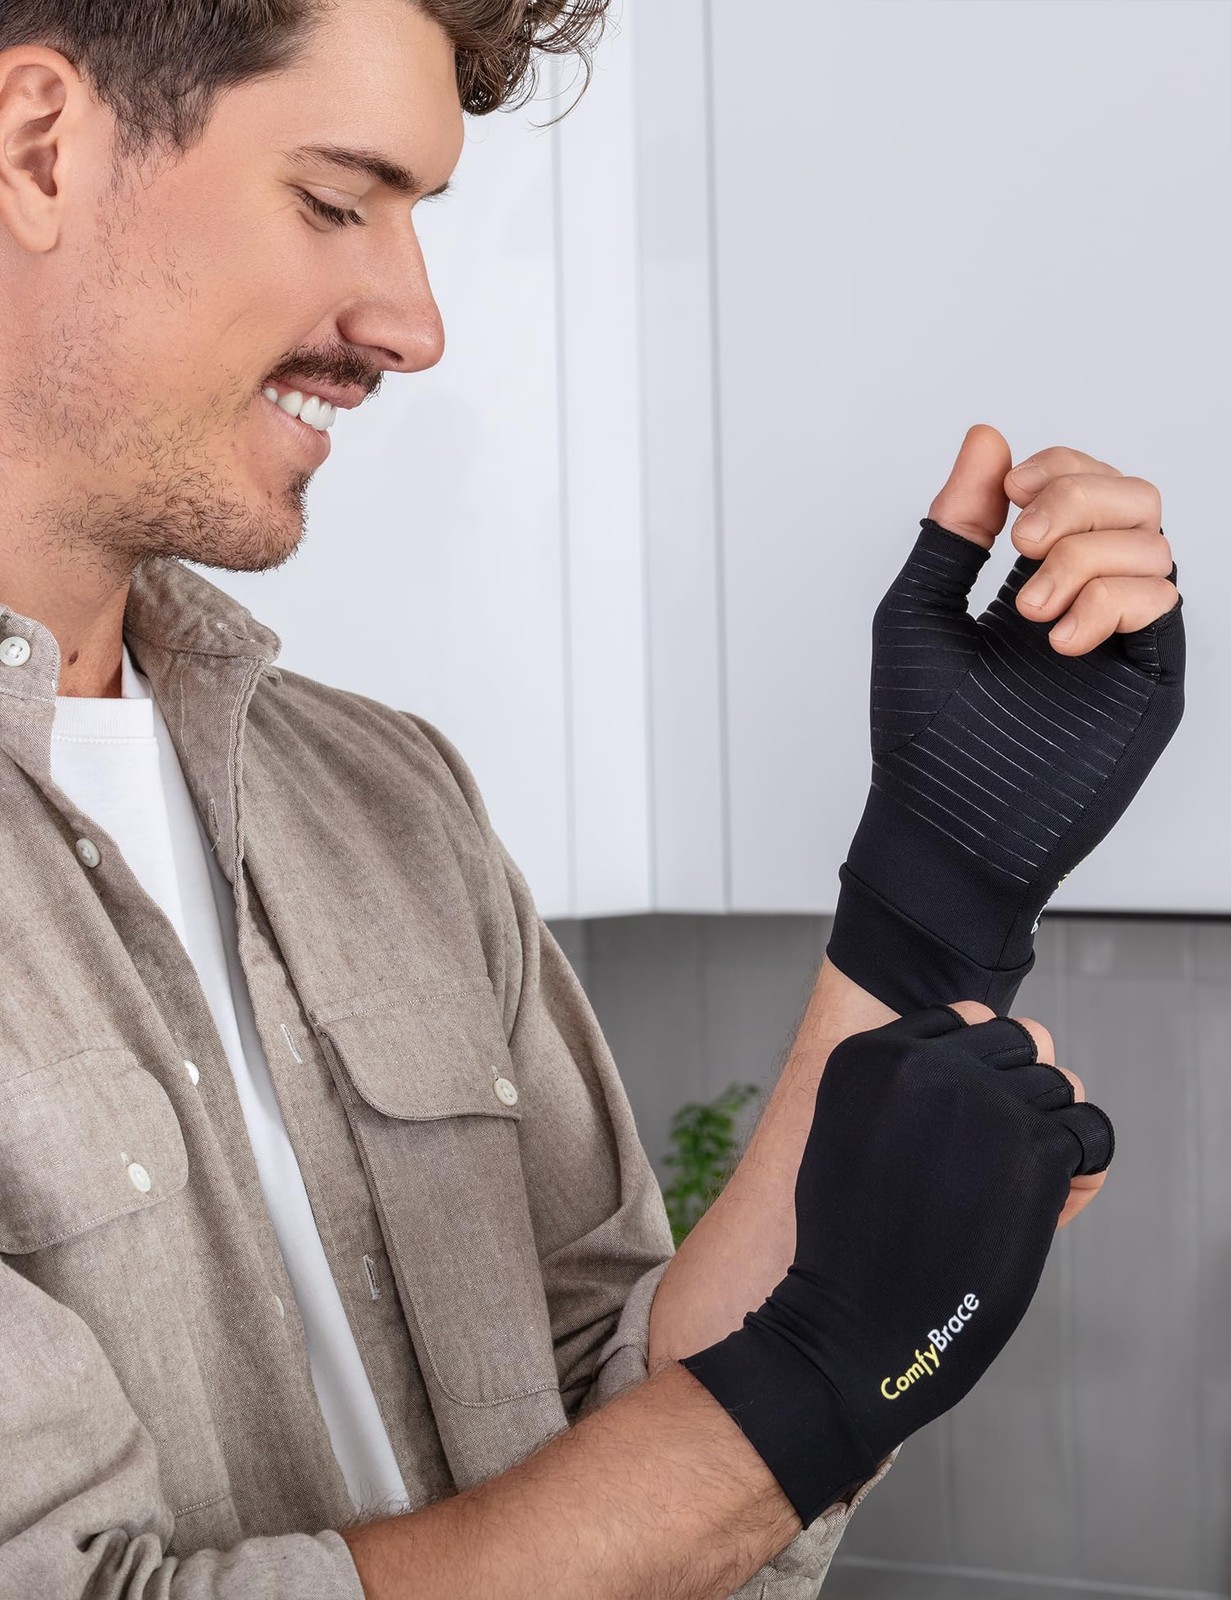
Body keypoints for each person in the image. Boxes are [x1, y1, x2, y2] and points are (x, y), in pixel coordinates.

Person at [0, 2, 1184, 1597]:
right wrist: (820, 1386)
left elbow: (631, 1444)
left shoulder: (385, 802)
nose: (415, 324)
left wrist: (934, 891)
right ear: (41, 145)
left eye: (418, 218)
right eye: (337, 201)